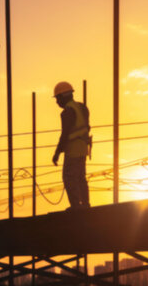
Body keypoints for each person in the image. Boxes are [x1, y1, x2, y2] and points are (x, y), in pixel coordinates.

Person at [52, 81, 91, 209]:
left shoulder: (67, 112)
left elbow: (65, 135)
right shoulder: (82, 107)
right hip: (83, 149)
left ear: (63, 97)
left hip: (73, 151)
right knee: (80, 178)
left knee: (69, 178)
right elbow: (87, 126)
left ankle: (76, 206)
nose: (57, 102)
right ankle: (85, 204)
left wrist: (57, 153)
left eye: (57, 98)